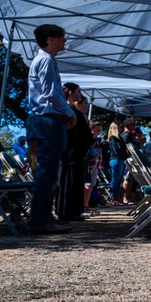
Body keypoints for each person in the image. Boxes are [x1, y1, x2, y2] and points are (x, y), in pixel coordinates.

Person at [25, 24, 76, 234]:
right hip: (48, 120)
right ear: (50, 39)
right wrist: (69, 112)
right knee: (47, 172)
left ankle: (44, 216)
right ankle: (40, 220)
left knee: (49, 171)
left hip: (48, 119)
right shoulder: (45, 60)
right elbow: (50, 94)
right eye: (61, 37)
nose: (65, 40)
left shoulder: (46, 60)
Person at [57, 85, 92, 222]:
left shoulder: (69, 112)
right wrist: (89, 141)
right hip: (73, 152)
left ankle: (68, 211)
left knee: (72, 181)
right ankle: (68, 211)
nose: (80, 94)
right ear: (71, 93)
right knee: (71, 181)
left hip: (72, 152)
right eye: (78, 91)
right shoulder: (71, 113)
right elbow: (81, 133)